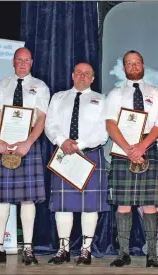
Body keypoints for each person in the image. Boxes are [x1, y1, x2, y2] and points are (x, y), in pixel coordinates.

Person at [0, 47, 50, 266]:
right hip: (2, 142)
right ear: (13, 61)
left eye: (26, 60)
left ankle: (28, 248)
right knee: (2, 197)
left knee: (28, 198)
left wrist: (28, 143)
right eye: (19, 59)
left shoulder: (40, 86)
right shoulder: (2, 84)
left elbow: (41, 119)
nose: (22, 63)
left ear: (31, 62)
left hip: (27, 145)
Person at [103, 50, 158, 268]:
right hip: (123, 149)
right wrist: (128, 148)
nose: (133, 66)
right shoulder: (115, 94)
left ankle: (153, 255)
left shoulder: (155, 93)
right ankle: (123, 253)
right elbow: (110, 124)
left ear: (143, 65)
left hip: (147, 147)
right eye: (129, 63)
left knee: (150, 204)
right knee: (123, 204)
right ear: (124, 68)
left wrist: (142, 146)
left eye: (137, 62)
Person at [45, 62, 109, 265]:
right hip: (63, 153)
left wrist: (79, 144)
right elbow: (50, 124)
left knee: (90, 206)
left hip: (89, 155)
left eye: (87, 73)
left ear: (92, 78)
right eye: (79, 72)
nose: (82, 76)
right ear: (73, 75)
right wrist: (62, 141)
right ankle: (63, 249)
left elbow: (102, 131)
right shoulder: (58, 97)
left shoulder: (102, 99)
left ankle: (85, 250)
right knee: (63, 206)